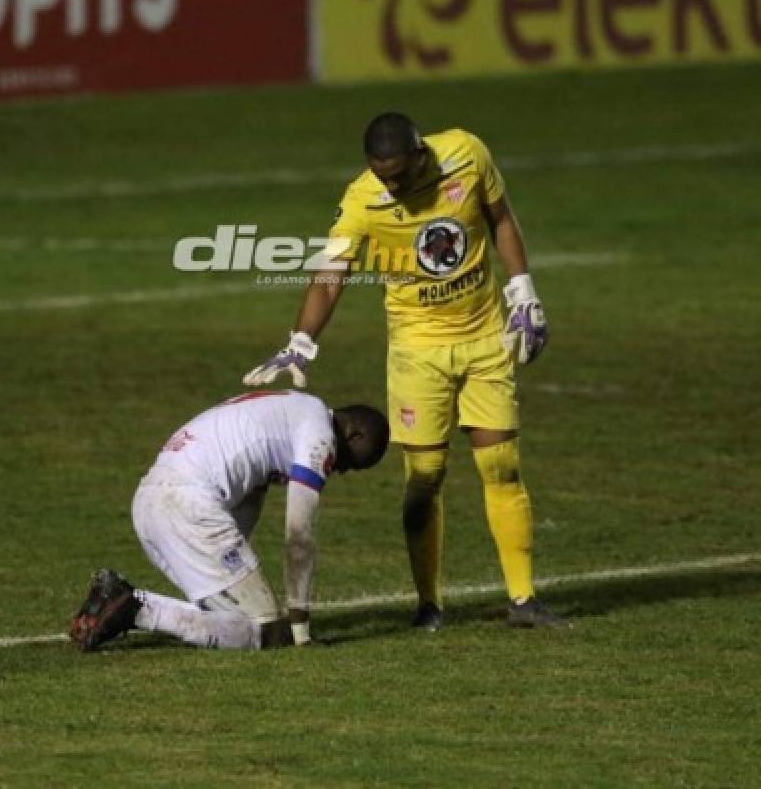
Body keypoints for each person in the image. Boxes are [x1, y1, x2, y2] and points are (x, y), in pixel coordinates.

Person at [243, 112, 567, 630]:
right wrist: (301, 341)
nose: (390, 185)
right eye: (381, 175)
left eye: (397, 174)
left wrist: (523, 290)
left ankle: (523, 600)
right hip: (417, 352)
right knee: (424, 478)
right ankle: (429, 605)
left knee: (501, 466)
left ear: (420, 156)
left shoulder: (466, 153)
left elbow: (501, 217)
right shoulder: (363, 199)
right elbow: (331, 276)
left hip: (484, 338)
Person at [70, 390, 389, 652]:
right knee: (270, 633)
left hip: (152, 502)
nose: (343, 470)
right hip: (187, 505)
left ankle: (119, 601)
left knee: (230, 617)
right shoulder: (319, 436)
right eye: (353, 463)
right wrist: (301, 628)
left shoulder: (291, 411)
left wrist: (238, 567)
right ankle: (137, 609)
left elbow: (247, 501)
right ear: (354, 433)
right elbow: (299, 535)